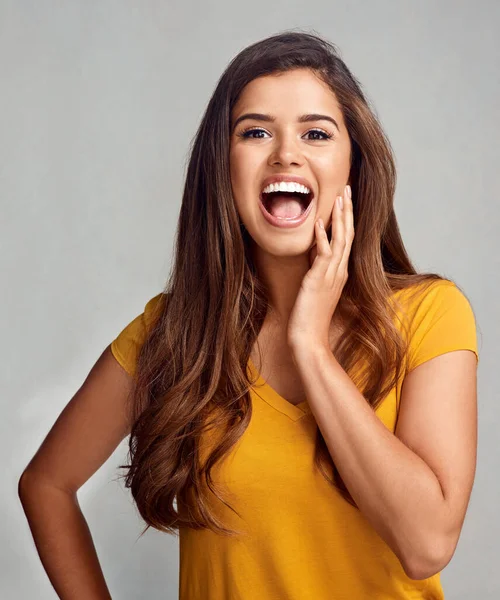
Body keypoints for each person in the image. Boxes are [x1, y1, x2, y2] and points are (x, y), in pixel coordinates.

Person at [19, 30, 479, 600]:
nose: (286, 153)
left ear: (352, 167)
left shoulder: (429, 315)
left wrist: (309, 344)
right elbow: (46, 485)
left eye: (316, 133)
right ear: (223, 168)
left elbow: (426, 544)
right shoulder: (174, 333)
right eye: (255, 132)